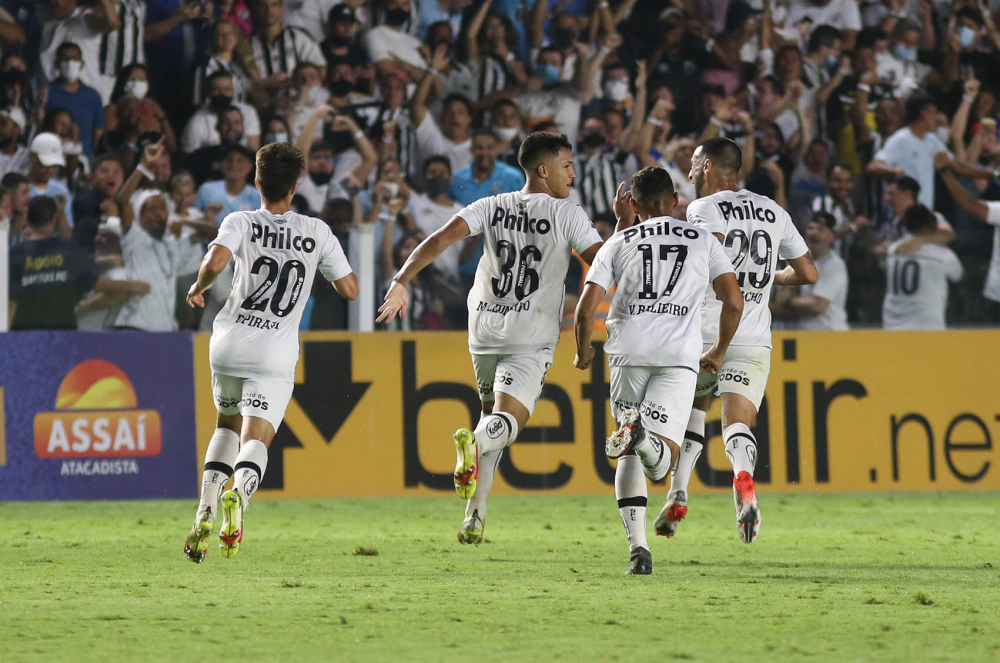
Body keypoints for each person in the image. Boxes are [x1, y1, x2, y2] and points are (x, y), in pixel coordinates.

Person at [377, 132, 606, 546]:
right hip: (530, 336)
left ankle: (475, 516)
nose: (573, 173)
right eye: (567, 165)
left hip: (483, 330)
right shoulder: (568, 214)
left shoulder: (491, 205)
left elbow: (439, 240)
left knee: (492, 415)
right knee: (506, 423)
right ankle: (474, 443)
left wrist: (400, 281)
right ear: (543, 170)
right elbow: (601, 263)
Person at [183, 141, 358, 562]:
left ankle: (204, 510)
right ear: (295, 187)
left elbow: (217, 260)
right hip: (274, 351)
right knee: (256, 437)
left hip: (227, 342)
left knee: (226, 426)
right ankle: (237, 500)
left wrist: (198, 287)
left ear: (256, 181)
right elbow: (350, 289)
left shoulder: (240, 219)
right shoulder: (316, 231)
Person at [573, 167, 743, 575]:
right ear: (674, 201)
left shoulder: (619, 241)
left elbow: (584, 309)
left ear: (633, 205)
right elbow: (733, 300)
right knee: (660, 463)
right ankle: (643, 434)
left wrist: (582, 353)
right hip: (677, 357)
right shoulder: (703, 239)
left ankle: (639, 551)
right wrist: (718, 351)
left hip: (627, 352)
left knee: (628, 454)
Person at [659, 137, 817, 544]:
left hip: (707, 333)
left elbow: (706, 256)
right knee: (737, 422)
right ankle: (744, 480)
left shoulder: (703, 208)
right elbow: (807, 273)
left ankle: (678, 493)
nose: (690, 172)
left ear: (708, 166)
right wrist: (770, 277)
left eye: (693, 165)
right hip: (752, 336)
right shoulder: (772, 210)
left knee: (693, 412)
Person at [8, 196, 142, 330]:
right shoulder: (70, 251)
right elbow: (99, 285)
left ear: (27, 219)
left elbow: (10, 301)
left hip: (23, 336)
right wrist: (133, 286)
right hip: (63, 336)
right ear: (54, 219)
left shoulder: (14, 254)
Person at [109, 138, 181, 332]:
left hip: (166, 330)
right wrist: (143, 165)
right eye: (151, 210)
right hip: (135, 328)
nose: (159, 214)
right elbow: (122, 200)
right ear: (139, 216)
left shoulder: (170, 243)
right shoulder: (135, 237)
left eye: (162, 209)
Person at [882, 204, 963, 330]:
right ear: (926, 227)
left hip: (892, 326)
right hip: (927, 326)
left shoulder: (893, 250)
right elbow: (958, 276)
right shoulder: (942, 255)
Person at [771, 212, 849, 331]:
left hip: (831, 334)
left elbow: (818, 306)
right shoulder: (800, 259)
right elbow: (785, 294)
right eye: (811, 228)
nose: (814, 233)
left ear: (832, 237)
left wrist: (790, 300)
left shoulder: (834, 264)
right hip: (807, 335)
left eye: (821, 229)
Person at [46, 42, 105, 159]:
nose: (70, 63)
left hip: (84, 159)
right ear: (57, 63)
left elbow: (98, 132)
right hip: (52, 157)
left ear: (82, 63)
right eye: (65, 58)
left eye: (75, 58)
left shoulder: (92, 96)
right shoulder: (47, 92)